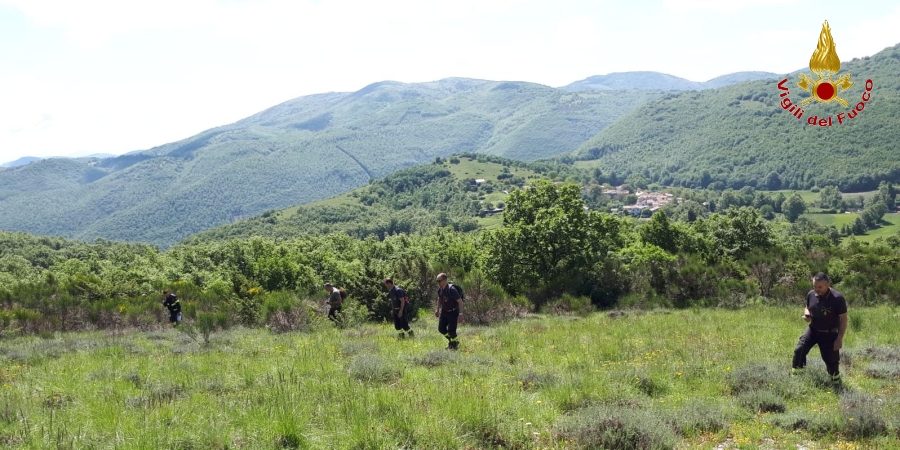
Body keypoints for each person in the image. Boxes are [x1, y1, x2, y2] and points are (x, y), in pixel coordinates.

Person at [792, 272, 848, 386]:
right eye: (814, 286)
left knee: (831, 361)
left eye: (819, 287)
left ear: (827, 284)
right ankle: (796, 379)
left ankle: (836, 383)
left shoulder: (837, 298)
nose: (816, 289)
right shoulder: (811, 294)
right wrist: (807, 315)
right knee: (799, 350)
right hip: (813, 330)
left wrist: (839, 338)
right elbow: (807, 307)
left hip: (829, 334)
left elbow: (844, 319)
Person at [434, 273, 462, 350]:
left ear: (445, 280)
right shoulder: (440, 289)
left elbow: (460, 301)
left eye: (439, 281)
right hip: (444, 311)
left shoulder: (452, 289)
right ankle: (452, 341)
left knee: (451, 331)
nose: (438, 283)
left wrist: (460, 314)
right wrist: (437, 310)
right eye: (437, 281)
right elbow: (439, 299)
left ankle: (453, 345)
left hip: (453, 312)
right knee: (441, 329)